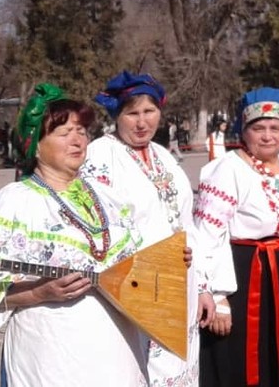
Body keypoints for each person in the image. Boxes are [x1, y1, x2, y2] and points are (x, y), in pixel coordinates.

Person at [0, 83, 149, 386]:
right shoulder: (16, 200)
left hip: (118, 351)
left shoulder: (105, 195)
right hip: (51, 355)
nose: (77, 140)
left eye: (81, 131)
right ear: (36, 145)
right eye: (64, 133)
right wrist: (38, 292)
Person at [81, 71, 206, 386]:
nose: (142, 122)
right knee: (141, 367)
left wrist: (204, 286)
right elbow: (99, 228)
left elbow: (186, 222)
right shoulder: (100, 156)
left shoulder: (164, 156)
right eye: (132, 113)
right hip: (137, 284)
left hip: (182, 282)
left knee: (181, 365)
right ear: (117, 115)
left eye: (149, 111)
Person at [196, 87, 279, 387]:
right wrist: (218, 295)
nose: (267, 136)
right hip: (246, 277)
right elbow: (208, 234)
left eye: (276, 128)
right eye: (258, 128)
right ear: (244, 130)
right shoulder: (227, 169)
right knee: (245, 354)